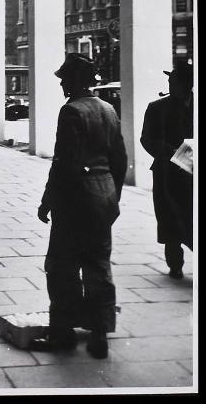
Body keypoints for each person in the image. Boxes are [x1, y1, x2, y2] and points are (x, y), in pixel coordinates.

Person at [35, 53, 127, 359]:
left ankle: (62, 332)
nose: (61, 82)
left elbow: (65, 163)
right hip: (103, 195)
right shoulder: (108, 109)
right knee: (98, 263)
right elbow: (120, 159)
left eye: (64, 77)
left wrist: (48, 201)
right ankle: (99, 331)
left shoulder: (71, 111)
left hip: (76, 199)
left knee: (61, 266)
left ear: (75, 80)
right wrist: (113, 195)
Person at [140, 63, 194, 279]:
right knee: (168, 217)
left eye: (173, 81)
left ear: (186, 84)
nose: (170, 84)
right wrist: (170, 153)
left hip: (194, 173)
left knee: (191, 217)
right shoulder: (156, 107)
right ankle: (175, 264)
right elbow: (146, 139)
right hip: (166, 172)